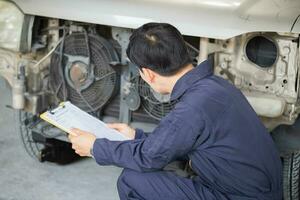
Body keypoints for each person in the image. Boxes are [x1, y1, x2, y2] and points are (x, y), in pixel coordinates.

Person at [68, 23, 283, 200]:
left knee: (131, 180)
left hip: (238, 196)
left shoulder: (192, 108)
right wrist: (136, 136)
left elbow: (148, 158)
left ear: (148, 75)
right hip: (259, 190)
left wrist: (95, 147)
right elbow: (178, 140)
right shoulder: (215, 86)